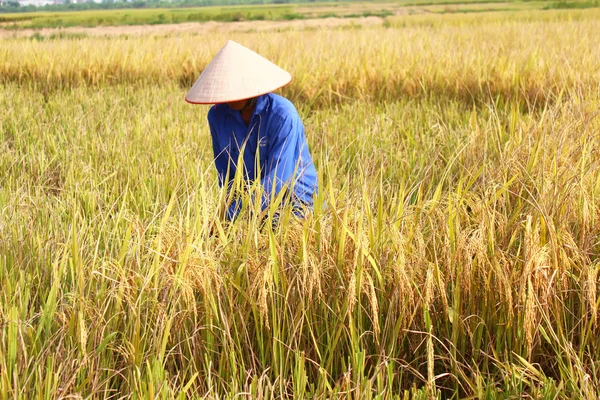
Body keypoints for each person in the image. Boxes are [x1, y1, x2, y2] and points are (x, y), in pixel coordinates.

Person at [185, 40, 318, 222]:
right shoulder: (217, 116)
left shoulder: (282, 115)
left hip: (294, 200)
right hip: (247, 203)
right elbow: (226, 174)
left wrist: (234, 215)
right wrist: (226, 211)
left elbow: (279, 179)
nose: (230, 96)